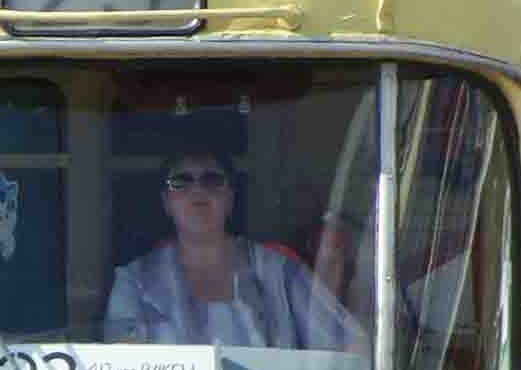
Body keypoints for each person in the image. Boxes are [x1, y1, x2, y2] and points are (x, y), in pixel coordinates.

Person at [103, 149, 361, 350]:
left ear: (230, 198)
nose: (197, 191)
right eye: (180, 182)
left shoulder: (279, 270)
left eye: (212, 180)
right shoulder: (135, 280)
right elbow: (123, 369)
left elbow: (346, 344)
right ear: (166, 202)